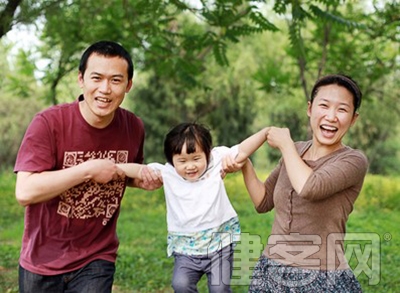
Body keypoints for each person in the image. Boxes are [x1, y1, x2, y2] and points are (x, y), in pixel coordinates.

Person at [14, 40, 161, 293]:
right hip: (42, 259)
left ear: (128, 86)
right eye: (97, 78)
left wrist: (142, 181)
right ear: (81, 79)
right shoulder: (49, 123)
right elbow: (25, 191)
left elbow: (122, 173)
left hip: (96, 256)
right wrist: (87, 170)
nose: (105, 89)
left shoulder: (133, 127)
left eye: (115, 80)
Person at [223, 74, 368, 292]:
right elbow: (263, 202)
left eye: (342, 109)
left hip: (323, 277)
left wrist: (286, 145)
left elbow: (310, 187)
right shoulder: (294, 151)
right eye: (324, 106)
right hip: (270, 270)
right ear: (310, 109)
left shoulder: (353, 161)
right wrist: (245, 164)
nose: (331, 116)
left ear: (353, 118)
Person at [117, 122, 270, 293]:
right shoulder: (167, 173)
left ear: (207, 154)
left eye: (196, 159)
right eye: (182, 161)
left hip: (220, 244)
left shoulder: (216, 160)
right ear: (171, 160)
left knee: (219, 288)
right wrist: (112, 167)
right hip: (185, 249)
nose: (190, 166)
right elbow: (138, 170)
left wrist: (265, 133)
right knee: (180, 285)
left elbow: (242, 149)